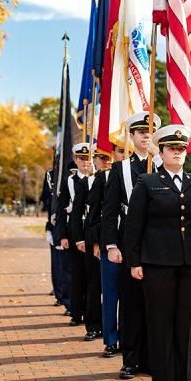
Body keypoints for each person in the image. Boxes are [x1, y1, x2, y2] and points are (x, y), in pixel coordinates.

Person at [123, 124, 191, 381]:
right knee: (160, 322)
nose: (178, 153)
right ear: (162, 151)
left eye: (182, 149)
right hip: (158, 263)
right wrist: (134, 261)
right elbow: (134, 226)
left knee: (186, 322)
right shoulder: (147, 183)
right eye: (172, 149)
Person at [101, 111, 162, 379]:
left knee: (156, 303)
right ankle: (131, 359)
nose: (146, 136)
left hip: (159, 242)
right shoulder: (120, 169)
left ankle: (152, 359)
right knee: (131, 302)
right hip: (130, 241)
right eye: (140, 132)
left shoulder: (163, 165)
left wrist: (157, 156)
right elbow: (109, 210)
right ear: (132, 136)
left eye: (150, 132)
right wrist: (111, 245)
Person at [84, 141, 128, 358]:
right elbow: (94, 213)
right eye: (121, 151)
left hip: (133, 244)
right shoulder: (105, 177)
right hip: (109, 241)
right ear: (113, 154)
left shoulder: (144, 173)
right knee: (110, 293)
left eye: (127, 152)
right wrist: (94, 242)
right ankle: (111, 340)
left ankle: (129, 340)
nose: (124, 155)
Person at [55, 143, 95, 330]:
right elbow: (61, 210)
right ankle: (76, 311)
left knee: (92, 276)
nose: (86, 162)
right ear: (76, 160)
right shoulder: (69, 181)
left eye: (89, 158)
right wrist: (62, 235)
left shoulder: (97, 178)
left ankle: (91, 313)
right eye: (82, 159)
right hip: (74, 230)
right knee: (77, 274)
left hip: (92, 229)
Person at [69, 143, 105, 342]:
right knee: (93, 285)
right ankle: (93, 325)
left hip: (112, 239)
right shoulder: (85, 183)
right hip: (92, 239)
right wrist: (80, 239)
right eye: (101, 157)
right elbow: (76, 214)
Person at [43, 166, 72, 313]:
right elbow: (49, 200)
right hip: (58, 226)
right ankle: (63, 296)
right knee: (61, 265)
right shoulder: (52, 175)